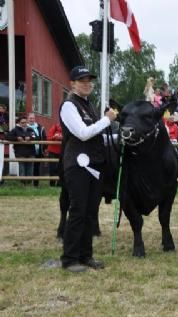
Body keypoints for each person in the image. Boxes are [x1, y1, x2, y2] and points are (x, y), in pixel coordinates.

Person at [59, 65, 117, 273]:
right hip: (77, 164)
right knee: (78, 210)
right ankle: (70, 258)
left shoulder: (89, 106)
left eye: (89, 80)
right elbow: (83, 133)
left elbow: (97, 134)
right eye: (82, 80)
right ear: (72, 83)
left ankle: (86, 255)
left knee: (90, 213)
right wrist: (106, 120)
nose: (87, 84)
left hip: (94, 164)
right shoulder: (69, 106)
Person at [6, 116, 36, 184]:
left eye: (25, 122)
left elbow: (35, 137)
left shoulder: (30, 129)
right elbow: (7, 137)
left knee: (30, 169)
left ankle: (28, 184)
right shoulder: (15, 130)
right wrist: (17, 138)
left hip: (31, 152)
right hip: (20, 152)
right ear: (19, 123)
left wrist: (30, 138)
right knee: (22, 168)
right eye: (22, 122)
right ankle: (23, 184)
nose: (24, 124)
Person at [27, 112, 47, 187]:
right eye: (30, 118)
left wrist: (45, 148)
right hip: (28, 151)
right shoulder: (25, 127)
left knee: (36, 168)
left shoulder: (40, 127)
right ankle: (27, 185)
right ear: (27, 119)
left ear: (35, 119)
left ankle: (36, 184)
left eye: (33, 118)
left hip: (38, 151)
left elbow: (44, 138)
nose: (31, 119)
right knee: (28, 168)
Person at [47, 122, 63, 186]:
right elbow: (48, 138)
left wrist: (62, 138)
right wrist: (54, 137)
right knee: (52, 168)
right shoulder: (54, 127)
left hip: (62, 151)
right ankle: (52, 184)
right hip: (52, 151)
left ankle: (59, 184)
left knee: (61, 168)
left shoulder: (66, 128)